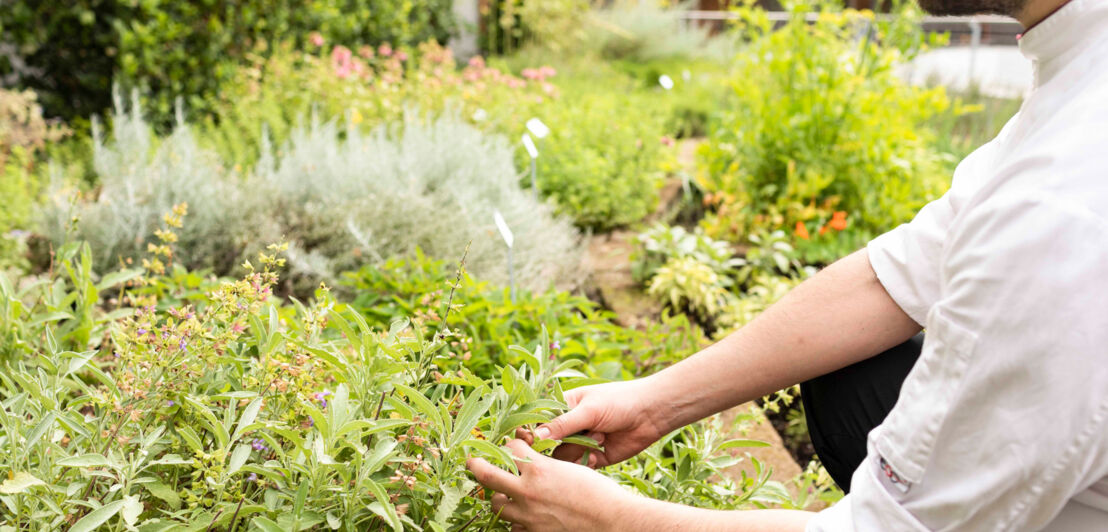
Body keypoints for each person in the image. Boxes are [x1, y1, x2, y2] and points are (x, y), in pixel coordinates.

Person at [466, 0, 1108, 529]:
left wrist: (611, 519)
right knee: (855, 375)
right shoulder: (1079, 74)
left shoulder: (1064, 200)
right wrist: (652, 404)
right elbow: (901, 273)